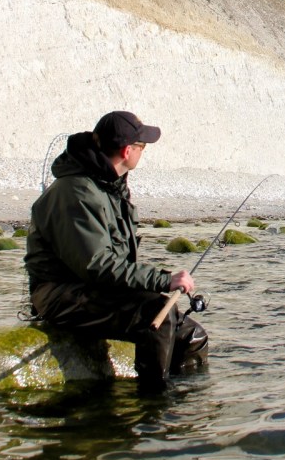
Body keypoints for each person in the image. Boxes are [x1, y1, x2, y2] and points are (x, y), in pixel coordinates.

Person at [24, 110, 208, 392]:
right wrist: (163, 280)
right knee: (156, 312)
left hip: (97, 290)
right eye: (142, 146)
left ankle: (184, 407)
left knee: (193, 336)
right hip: (60, 295)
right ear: (127, 151)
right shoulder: (76, 193)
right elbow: (97, 265)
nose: (142, 152)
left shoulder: (107, 186)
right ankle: (153, 407)